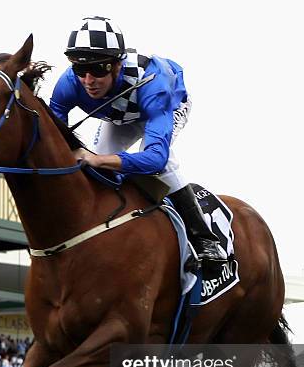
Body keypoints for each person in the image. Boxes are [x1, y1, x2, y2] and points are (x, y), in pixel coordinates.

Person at [50, 16, 226, 267]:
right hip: (120, 115)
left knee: (162, 165)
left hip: (165, 107)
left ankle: (206, 240)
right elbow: (54, 139)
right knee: (99, 166)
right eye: (80, 70)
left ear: (117, 65)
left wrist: (97, 159)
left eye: (98, 69)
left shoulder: (154, 84)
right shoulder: (68, 85)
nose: (88, 80)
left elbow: (155, 159)